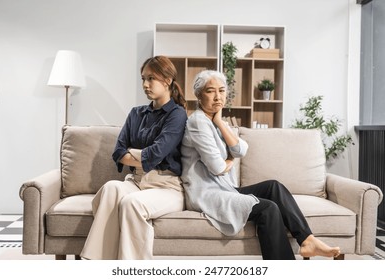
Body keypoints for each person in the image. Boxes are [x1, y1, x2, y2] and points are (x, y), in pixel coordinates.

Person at [180, 70, 341, 260]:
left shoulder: (214, 121)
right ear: (198, 95)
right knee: (268, 208)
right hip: (207, 194)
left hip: (224, 188)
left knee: (274, 187)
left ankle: (307, 240)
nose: (218, 97)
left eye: (222, 91)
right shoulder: (198, 122)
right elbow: (218, 167)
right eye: (210, 91)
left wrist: (220, 123)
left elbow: (241, 150)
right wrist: (230, 160)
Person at [80, 56, 187, 260]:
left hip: (167, 186)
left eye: (151, 78)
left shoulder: (177, 114)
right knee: (111, 188)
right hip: (137, 181)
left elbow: (156, 154)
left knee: (131, 204)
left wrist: (134, 153)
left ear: (167, 80)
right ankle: (96, 263)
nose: (145, 84)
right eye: (143, 78)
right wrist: (142, 156)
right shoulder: (136, 113)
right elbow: (118, 152)